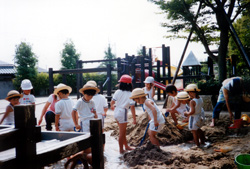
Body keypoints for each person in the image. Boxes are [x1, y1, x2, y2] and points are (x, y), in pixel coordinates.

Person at [110, 74, 136, 154]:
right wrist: (134, 118)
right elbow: (132, 107)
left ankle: (126, 146)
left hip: (116, 111)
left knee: (123, 132)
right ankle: (121, 149)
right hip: (123, 112)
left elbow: (112, 102)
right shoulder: (130, 94)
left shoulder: (117, 91)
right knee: (121, 133)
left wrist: (112, 106)